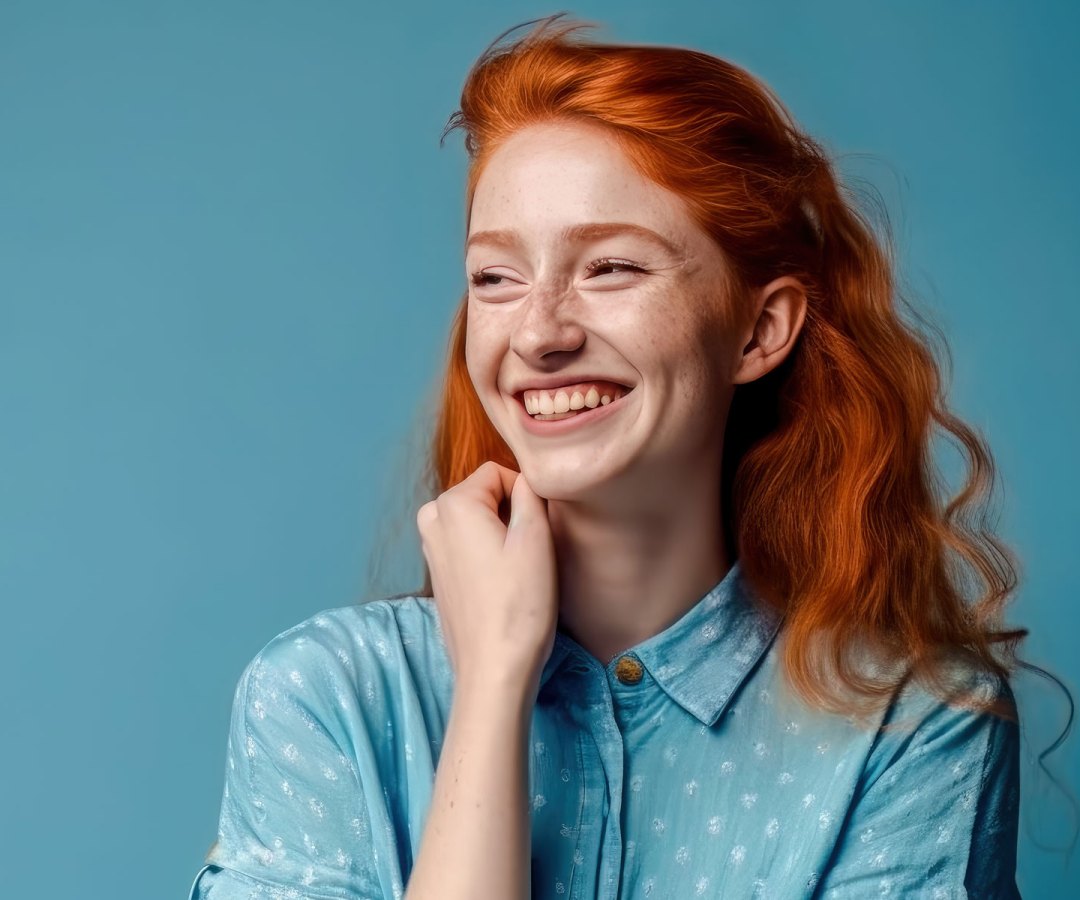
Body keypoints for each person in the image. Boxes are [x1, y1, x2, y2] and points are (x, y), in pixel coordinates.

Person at [190, 16, 1027, 899]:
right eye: (497, 278)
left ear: (760, 330)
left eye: (613, 267)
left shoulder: (918, 728)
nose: (540, 332)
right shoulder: (326, 698)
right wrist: (495, 683)